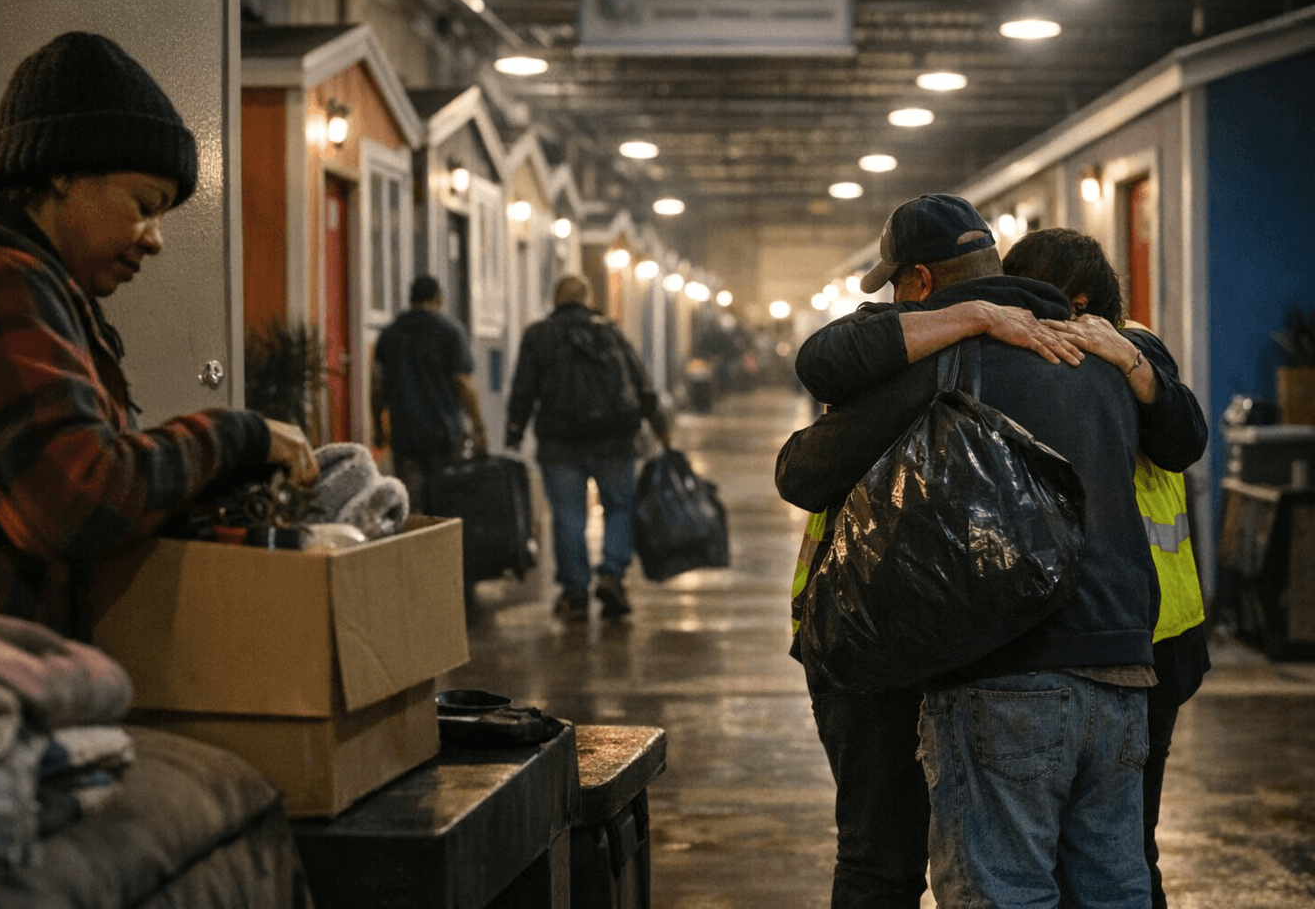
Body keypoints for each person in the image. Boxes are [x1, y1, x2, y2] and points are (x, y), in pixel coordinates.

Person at [0, 31, 318, 641]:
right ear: (65, 174)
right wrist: (239, 436)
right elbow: (76, 504)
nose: (156, 238)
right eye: (145, 204)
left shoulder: (11, 280)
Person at [776, 194, 1203, 909]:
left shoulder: (938, 360)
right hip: (1125, 661)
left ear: (918, 284)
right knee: (1114, 883)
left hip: (981, 658)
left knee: (983, 883)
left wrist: (961, 325)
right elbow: (1184, 436)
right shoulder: (1107, 357)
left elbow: (804, 466)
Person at [1002, 228, 1211, 909]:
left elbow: (1183, 438)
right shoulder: (1048, 354)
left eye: (1032, 294)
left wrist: (1130, 362)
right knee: (1104, 851)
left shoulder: (1129, 352)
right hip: (1123, 629)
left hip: (1151, 634)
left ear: (1081, 300)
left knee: (1123, 849)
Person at [505, 274, 670, 622]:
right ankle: (611, 574)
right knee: (619, 507)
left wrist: (514, 436)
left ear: (556, 299)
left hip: (559, 444)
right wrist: (661, 430)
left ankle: (575, 591)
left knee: (568, 517)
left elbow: (523, 389)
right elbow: (640, 383)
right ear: (588, 298)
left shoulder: (539, 335)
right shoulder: (609, 331)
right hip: (615, 441)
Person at [371, 275, 488, 510]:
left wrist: (377, 427)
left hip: (405, 438)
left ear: (411, 299)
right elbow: (464, 384)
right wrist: (478, 426)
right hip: (445, 437)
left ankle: (417, 546)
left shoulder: (390, 334)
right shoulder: (450, 331)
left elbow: (378, 387)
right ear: (439, 299)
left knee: (412, 510)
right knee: (447, 506)